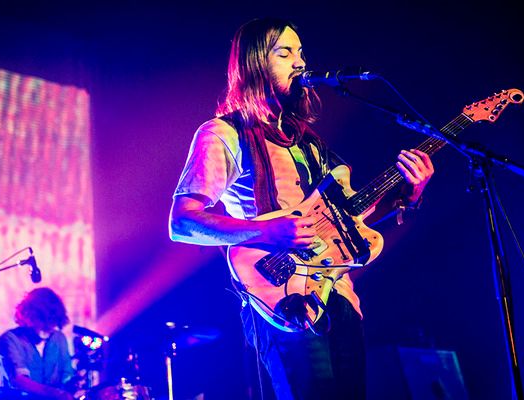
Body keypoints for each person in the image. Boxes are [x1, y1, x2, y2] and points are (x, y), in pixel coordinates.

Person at [168, 17, 435, 399]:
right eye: (285, 53)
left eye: (301, 52)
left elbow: (352, 217)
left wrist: (409, 194)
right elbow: (182, 223)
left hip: (339, 294)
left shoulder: (309, 143)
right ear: (255, 63)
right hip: (280, 296)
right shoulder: (223, 133)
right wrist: (268, 230)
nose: (300, 62)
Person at [0, 287, 83, 400]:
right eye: (42, 321)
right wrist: (56, 394)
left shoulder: (58, 338)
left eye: (51, 323)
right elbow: (19, 381)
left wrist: (75, 383)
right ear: (28, 316)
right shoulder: (9, 339)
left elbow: (66, 375)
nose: (47, 328)